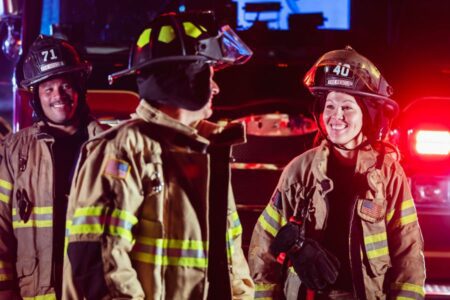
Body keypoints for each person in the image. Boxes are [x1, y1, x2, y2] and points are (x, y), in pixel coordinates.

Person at [63, 11, 255, 299]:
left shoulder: (207, 151)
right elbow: (100, 266)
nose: (215, 87)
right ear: (187, 79)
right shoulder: (123, 149)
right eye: (209, 75)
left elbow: (230, 262)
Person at [248, 46, 426, 299]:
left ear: (367, 114)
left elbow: (408, 253)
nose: (336, 116)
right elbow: (264, 246)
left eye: (347, 107)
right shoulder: (299, 170)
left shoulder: (387, 174)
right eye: (330, 106)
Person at [0, 35, 105, 299]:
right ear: (36, 96)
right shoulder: (14, 151)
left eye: (65, 86)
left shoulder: (107, 147)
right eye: (48, 89)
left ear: (79, 88)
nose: (58, 96)